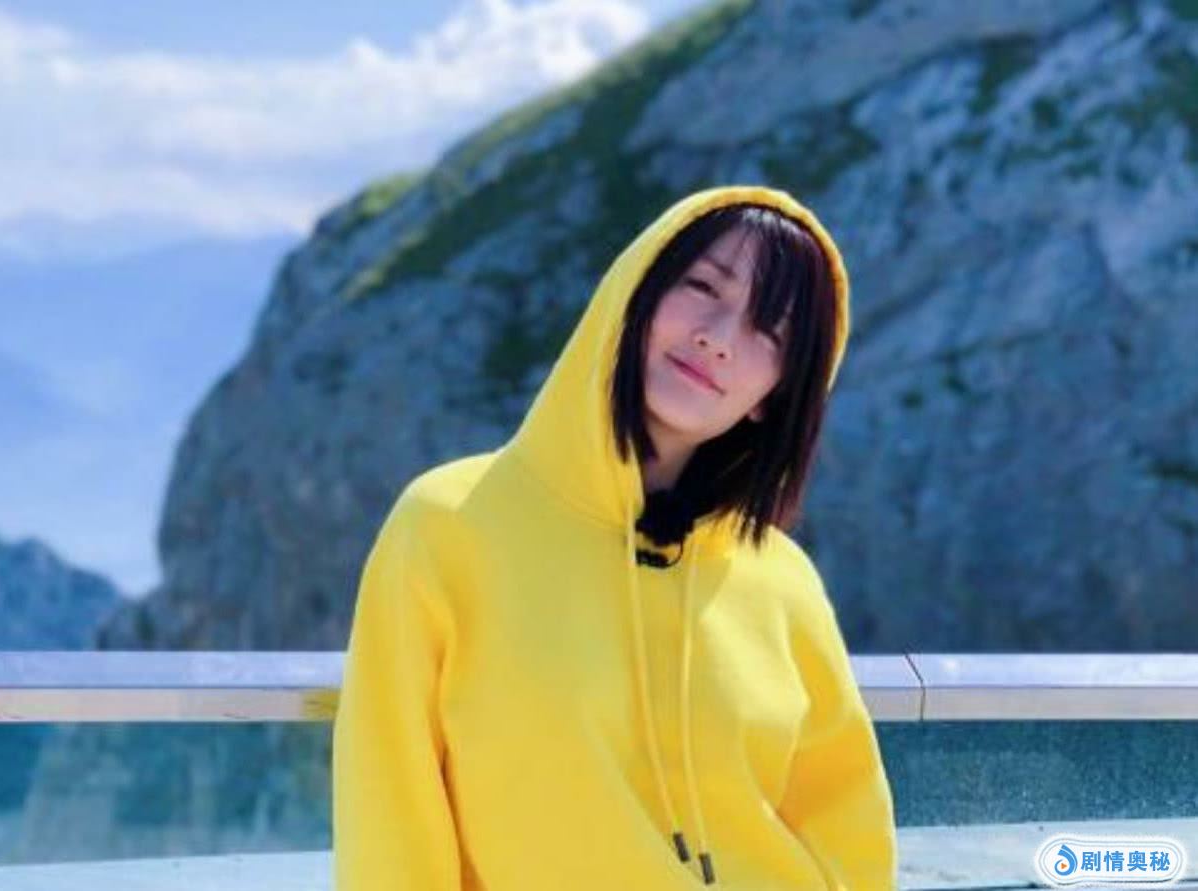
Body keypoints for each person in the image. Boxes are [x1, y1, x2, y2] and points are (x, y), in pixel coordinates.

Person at [332, 184, 898, 889]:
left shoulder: (781, 580)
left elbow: (846, 826)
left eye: (769, 332)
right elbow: (390, 806)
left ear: (774, 397)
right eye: (703, 288)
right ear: (635, 293)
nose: (718, 339)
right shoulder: (448, 525)